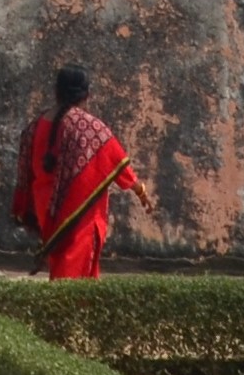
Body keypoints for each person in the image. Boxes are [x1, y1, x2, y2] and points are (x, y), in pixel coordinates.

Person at [12, 67, 145, 278]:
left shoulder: (35, 125)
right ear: (86, 94)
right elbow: (115, 159)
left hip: (44, 206)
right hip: (73, 205)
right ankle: (71, 308)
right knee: (74, 264)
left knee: (59, 258)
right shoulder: (88, 127)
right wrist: (139, 189)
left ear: (56, 91)